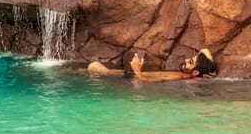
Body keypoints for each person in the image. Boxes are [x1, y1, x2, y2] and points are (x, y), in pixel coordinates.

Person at [87, 48, 217, 82]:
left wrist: (137, 69)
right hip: (130, 75)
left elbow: (148, 81)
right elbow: (205, 50)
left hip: (133, 77)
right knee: (90, 69)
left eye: (190, 62)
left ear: (194, 72)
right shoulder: (189, 74)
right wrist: (209, 70)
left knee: (92, 68)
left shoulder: (180, 77)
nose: (187, 59)